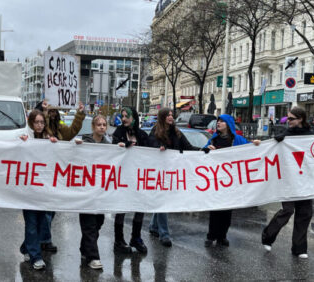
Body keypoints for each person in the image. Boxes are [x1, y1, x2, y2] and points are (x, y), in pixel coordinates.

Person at [262, 106, 314, 259]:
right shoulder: (285, 134)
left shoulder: (311, 136)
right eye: (287, 118)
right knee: (288, 210)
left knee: (305, 213)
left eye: (291, 119)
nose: (288, 121)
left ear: (301, 119)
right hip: (288, 180)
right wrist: (274, 142)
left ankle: (299, 248)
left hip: (305, 180)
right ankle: (268, 236)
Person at [203, 114, 259, 247]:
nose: (219, 123)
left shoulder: (237, 139)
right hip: (217, 179)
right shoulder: (214, 140)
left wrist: (256, 144)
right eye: (218, 121)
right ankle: (211, 236)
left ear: (228, 124)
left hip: (230, 180)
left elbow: (248, 149)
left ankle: (222, 236)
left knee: (227, 210)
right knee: (215, 209)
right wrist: (207, 149)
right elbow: (202, 153)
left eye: (222, 121)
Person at [147, 108, 199, 247]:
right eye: (168, 115)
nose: (171, 117)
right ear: (162, 117)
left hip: (172, 172)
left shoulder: (177, 132)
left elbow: (188, 147)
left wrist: (202, 150)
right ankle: (164, 234)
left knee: (162, 200)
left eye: (172, 114)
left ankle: (153, 226)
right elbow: (150, 144)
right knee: (163, 201)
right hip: (159, 172)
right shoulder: (156, 131)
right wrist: (160, 147)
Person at [41, 102, 86, 252]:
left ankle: (42, 238)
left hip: (56, 173)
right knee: (46, 211)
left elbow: (72, 131)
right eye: (50, 111)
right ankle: (44, 240)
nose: (53, 113)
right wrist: (45, 112)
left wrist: (79, 114)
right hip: (43, 173)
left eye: (55, 111)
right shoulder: (41, 126)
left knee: (51, 210)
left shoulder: (59, 126)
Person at [19, 109, 58, 270]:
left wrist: (56, 145)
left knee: (44, 222)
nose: (40, 125)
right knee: (32, 223)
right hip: (29, 190)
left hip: (44, 190)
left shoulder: (49, 139)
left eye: (42, 122)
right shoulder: (24, 138)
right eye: (37, 122)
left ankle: (25, 247)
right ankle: (35, 257)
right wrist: (22, 143)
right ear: (32, 123)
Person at [73, 115, 110, 270]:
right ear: (94, 127)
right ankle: (93, 257)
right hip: (86, 191)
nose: (102, 127)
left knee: (98, 222)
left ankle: (85, 248)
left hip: (101, 192)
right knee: (89, 223)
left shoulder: (109, 145)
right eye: (99, 125)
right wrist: (77, 148)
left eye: (104, 125)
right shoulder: (84, 141)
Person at [111, 106, 150, 254]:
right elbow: (110, 152)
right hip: (122, 178)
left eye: (127, 115)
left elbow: (151, 152)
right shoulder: (118, 132)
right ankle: (118, 240)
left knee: (139, 207)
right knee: (121, 208)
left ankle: (136, 237)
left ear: (134, 117)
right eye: (123, 116)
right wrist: (120, 147)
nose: (124, 118)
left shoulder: (142, 135)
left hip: (138, 178)